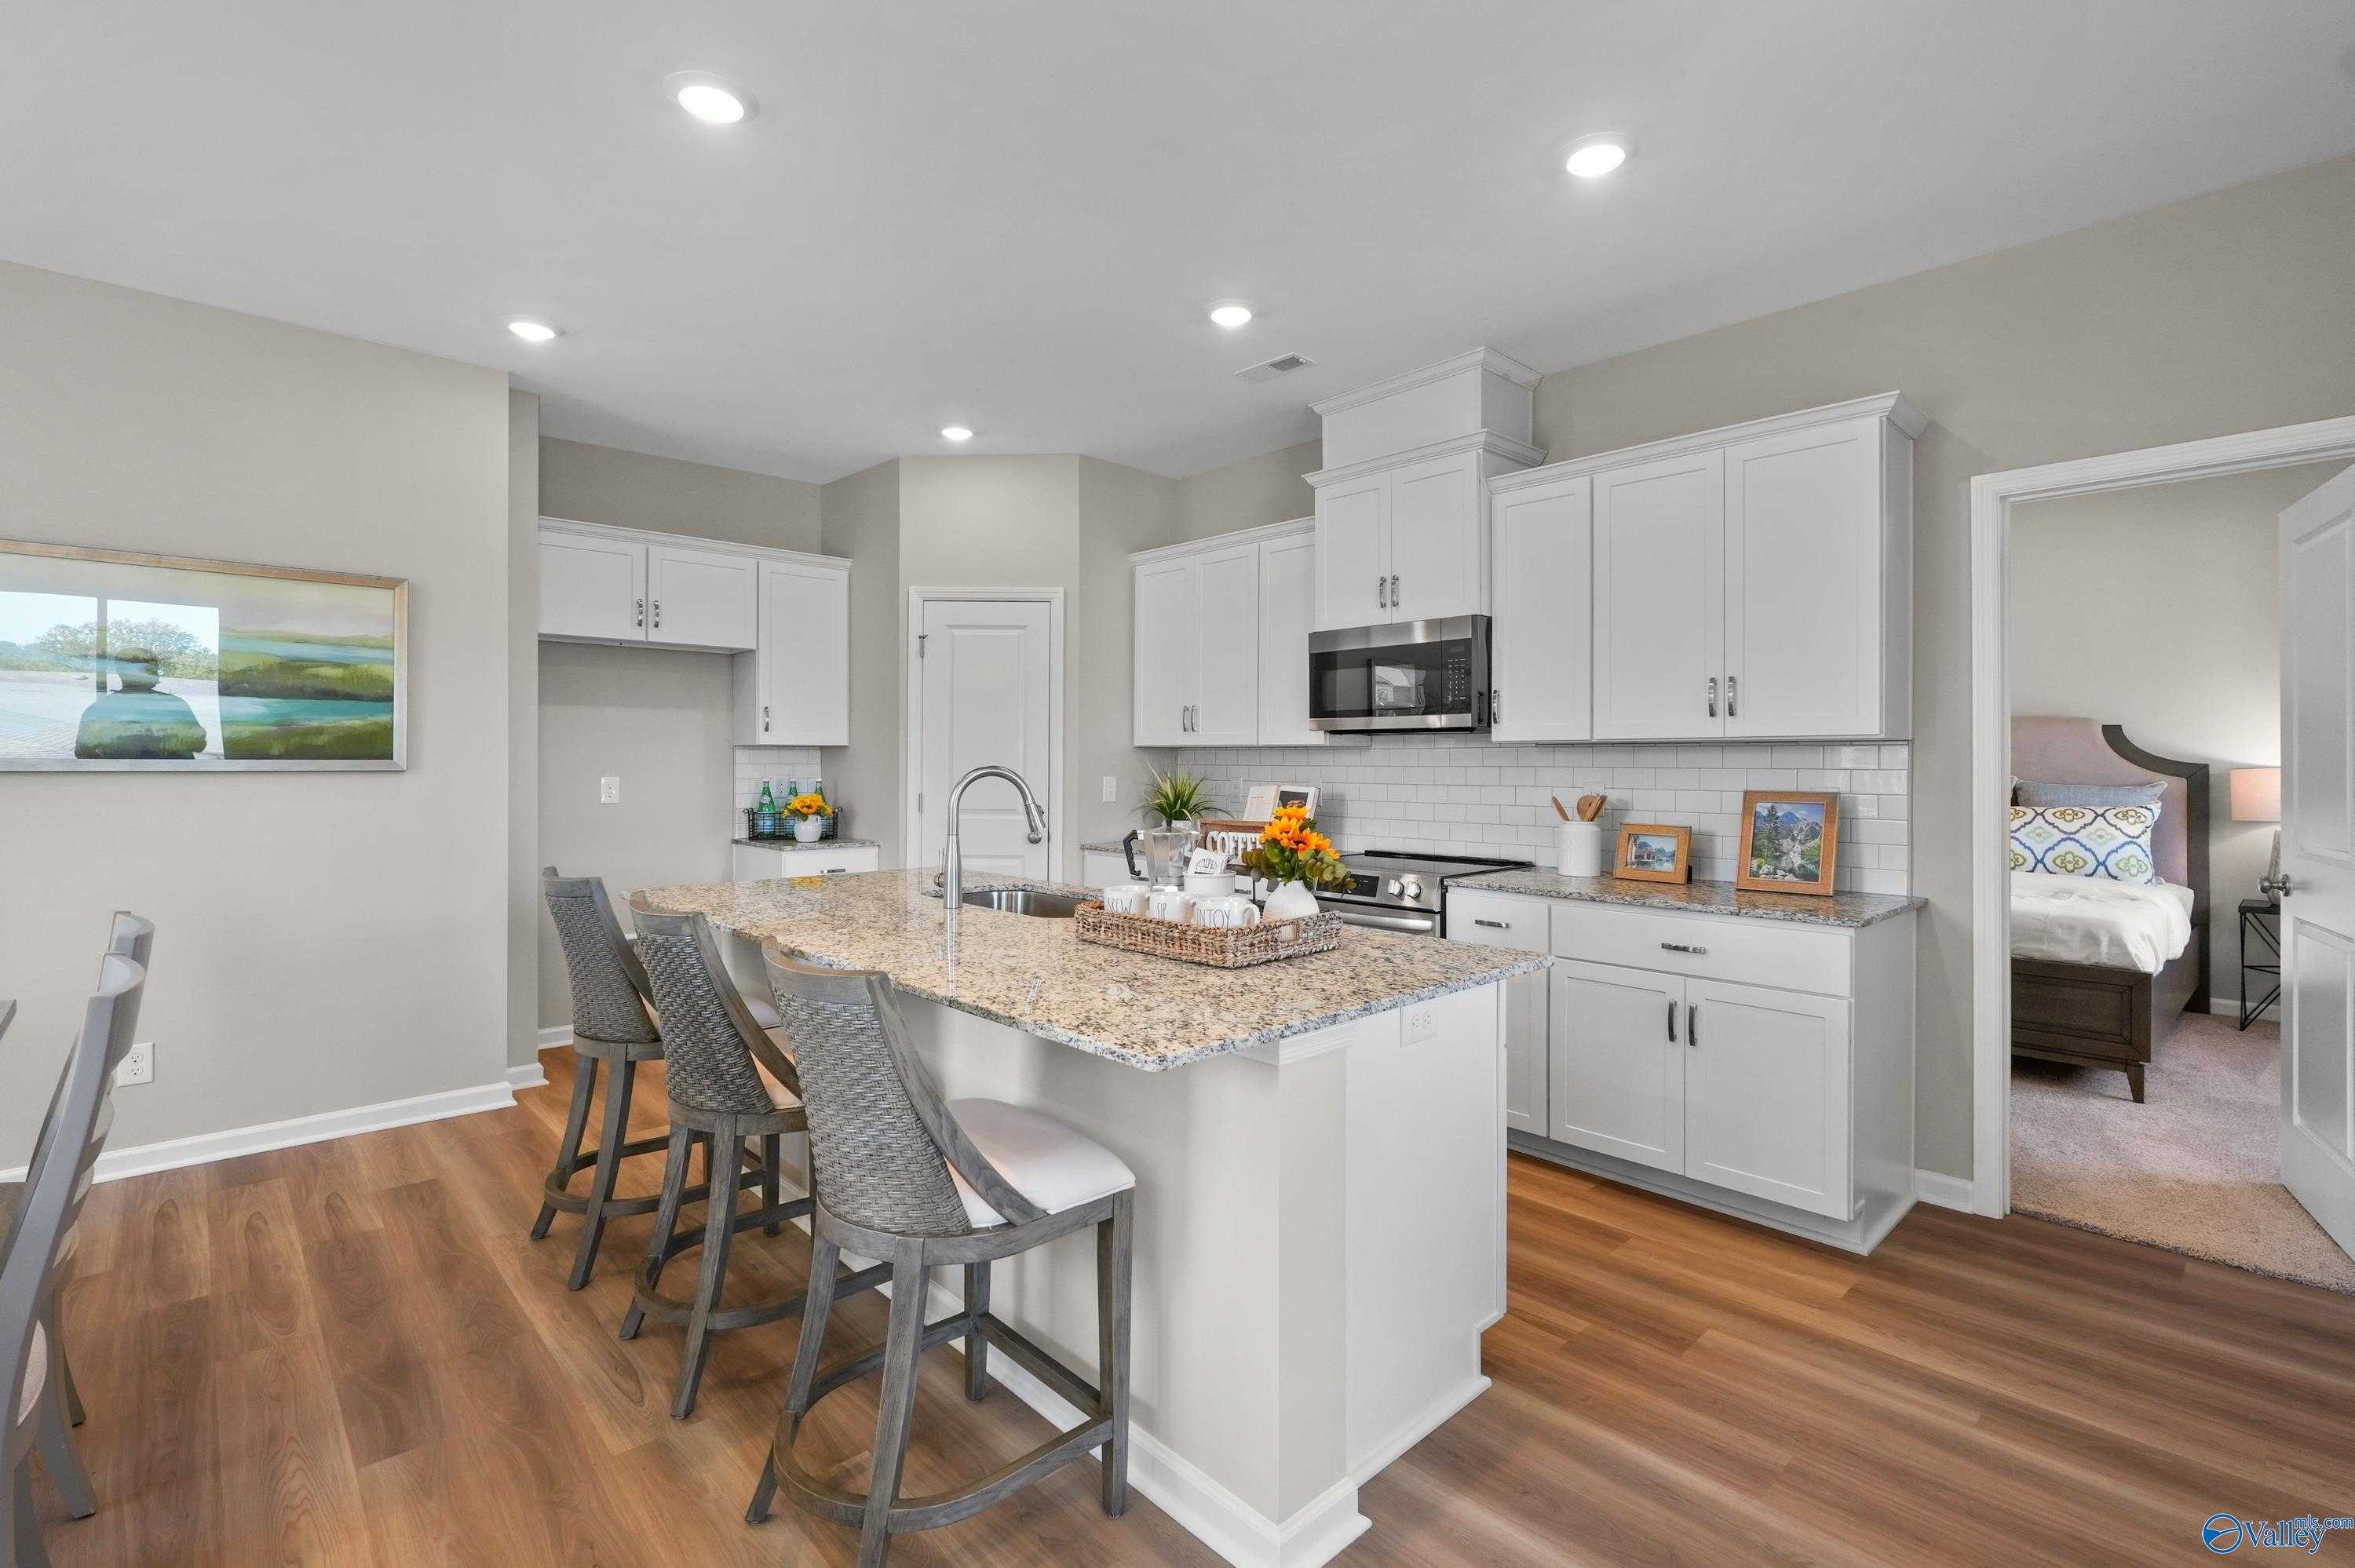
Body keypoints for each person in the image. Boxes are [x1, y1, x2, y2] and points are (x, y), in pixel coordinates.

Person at [74, 644, 208, 760]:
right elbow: (198, 744)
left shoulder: (98, 710)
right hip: (173, 778)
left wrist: (115, 769)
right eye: (153, 670)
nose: (157, 675)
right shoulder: (173, 705)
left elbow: (83, 753)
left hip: (130, 779)